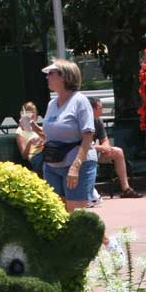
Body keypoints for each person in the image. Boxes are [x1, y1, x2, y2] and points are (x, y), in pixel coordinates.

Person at [40, 59, 97, 213]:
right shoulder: (51, 104)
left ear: (64, 76)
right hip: (52, 165)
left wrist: (75, 167)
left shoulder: (80, 101)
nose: (47, 77)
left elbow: (88, 136)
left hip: (76, 164)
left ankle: (105, 238)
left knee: (76, 214)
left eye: (51, 73)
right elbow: (51, 133)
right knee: (57, 213)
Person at [88, 96, 142, 199]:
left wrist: (106, 147)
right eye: (100, 108)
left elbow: (104, 139)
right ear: (92, 109)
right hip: (85, 154)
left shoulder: (98, 121)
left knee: (118, 152)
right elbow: (83, 145)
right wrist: (100, 148)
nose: (102, 110)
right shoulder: (82, 121)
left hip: (97, 153)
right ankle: (91, 193)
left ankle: (126, 189)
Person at [15, 101, 45, 176]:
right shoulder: (20, 131)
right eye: (28, 113)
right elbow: (24, 155)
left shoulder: (41, 128)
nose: (31, 116)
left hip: (47, 152)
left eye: (33, 113)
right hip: (36, 155)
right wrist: (30, 142)